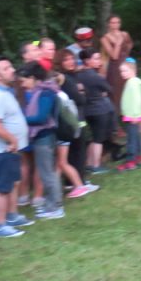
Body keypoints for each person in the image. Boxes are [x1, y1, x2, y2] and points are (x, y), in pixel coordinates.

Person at [0, 56, 34, 239]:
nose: (12, 70)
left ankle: (12, 216)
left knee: (12, 183)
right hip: (2, 150)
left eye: (10, 66)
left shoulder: (5, 91)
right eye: (5, 68)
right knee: (2, 188)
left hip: (10, 150)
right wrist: (12, 140)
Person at [18, 62, 64, 220]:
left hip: (44, 137)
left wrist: (21, 120)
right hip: (41, 137)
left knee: (47, 174)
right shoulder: (40, 91)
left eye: (24, 80)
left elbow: (41, 117)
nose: (22, 84)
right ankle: (51, 204)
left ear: (32, 78)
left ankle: (56, 207)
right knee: (46, 173)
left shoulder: (45, 92)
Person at [53, 49, 97, 198]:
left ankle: (76, 181)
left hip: (77, 118)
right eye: (66, 59)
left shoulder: (72, 76)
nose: (70, 62)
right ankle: (78, 183)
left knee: (77, 152)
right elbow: (79, 99)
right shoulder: (64, 78)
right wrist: (82, 94)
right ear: (60, 63)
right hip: (72, 120)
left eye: (72, 58)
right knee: (77, 152)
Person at [76, 49, 118, 172]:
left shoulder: (78, 75)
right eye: (96, 58)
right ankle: (96, 165)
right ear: (87, 61)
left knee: (93, 137)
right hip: (100, 110)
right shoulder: (96, 76)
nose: (99, 61)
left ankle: (88, 163)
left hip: (86, 111)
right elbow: (109, 89)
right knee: (99, 139)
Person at [117, 58, 141, 172]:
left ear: (133, 70)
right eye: (121, 71)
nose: (122, 74)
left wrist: (134, 115)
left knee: (131, 138)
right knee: (136, 136)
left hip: (132, 116)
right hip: (132, 115)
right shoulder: (132, 82)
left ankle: (131, 161)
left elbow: (136, 100)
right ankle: (138, 157)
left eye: (125, 71)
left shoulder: (132, 83)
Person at [100, 15, 133, 112]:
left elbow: (130, 44)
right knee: (117, 92)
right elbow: (114, 56)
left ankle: (137, 119)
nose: (115, 25)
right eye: (113, 22)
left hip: (126, 64)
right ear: (108, 24)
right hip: (114, 67)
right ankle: (116, 123)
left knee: (131, 88)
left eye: (118, 22)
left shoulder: (125, 34)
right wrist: (118, 43)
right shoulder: (105, 38)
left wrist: (126, 55)